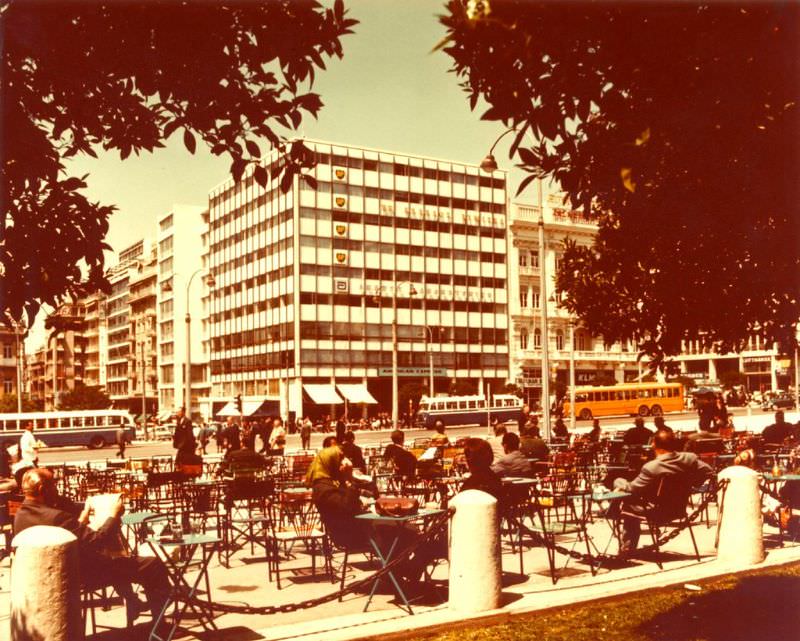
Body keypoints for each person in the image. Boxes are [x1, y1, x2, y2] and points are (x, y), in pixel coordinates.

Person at [14, 468, 169, 628]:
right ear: (42, 489)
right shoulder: (56, 516)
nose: (56, 489)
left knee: (118, 561)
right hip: (83, 575)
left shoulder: (20, 516)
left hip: (48, 575)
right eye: (54, 485)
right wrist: (113, 515)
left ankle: (133, 602)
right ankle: (159, 625)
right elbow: (97, 540)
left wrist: (81, 521)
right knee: (152, 565)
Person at [612, 428, 714, 553]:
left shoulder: (651, 467)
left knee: (628, 504)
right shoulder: (689, 459)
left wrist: (618, 481)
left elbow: (632, 489)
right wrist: (692, 483)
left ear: (654, 444)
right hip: (679, 509)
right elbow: (709, 471)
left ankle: (627, 550)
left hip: (657, 512)